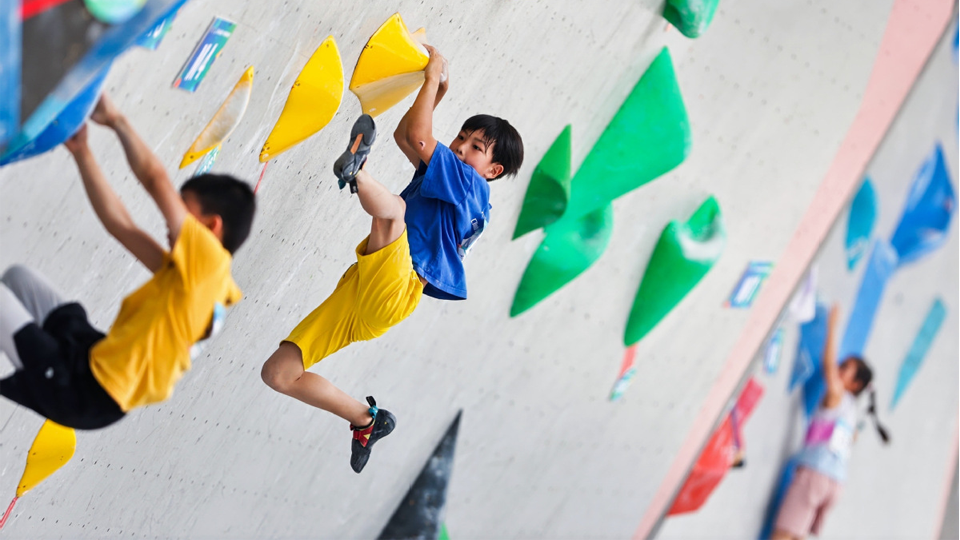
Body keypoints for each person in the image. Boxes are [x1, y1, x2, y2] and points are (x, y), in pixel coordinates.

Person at [260, 44, 524, 473]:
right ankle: (367, 420)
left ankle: (357, 172)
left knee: (394, 214)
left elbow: (420, 137)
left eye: (476, 147)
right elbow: (408, 136)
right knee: (278, 374)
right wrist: (432, 95)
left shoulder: (472, 188)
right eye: (461, 137)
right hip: (365, 295)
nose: (460, 148)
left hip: (398, 288)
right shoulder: (457, 183)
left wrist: (434, 70)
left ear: (492, 170)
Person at [0, 95, 255, 430]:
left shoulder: (209, 263)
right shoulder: (192, 280)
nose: (170, 221)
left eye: (182, 211)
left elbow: (156, 181)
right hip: (93, 356)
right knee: (19, 279)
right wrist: (82, 152)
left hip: (84, 392)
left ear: (211, 227)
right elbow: (121, 226)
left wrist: (117, 120)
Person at [773, 304, 889, 539]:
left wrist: (832, 325)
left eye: (845, 368)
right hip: (835, 484)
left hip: (815, 476)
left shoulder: (838, 397)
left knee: (783, 535)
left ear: (854, 385)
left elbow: (828, 368)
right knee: (796, 535)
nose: (838, 367)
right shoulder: (851, 412)